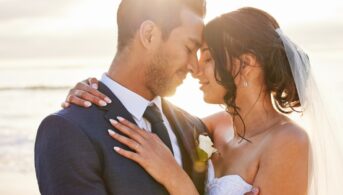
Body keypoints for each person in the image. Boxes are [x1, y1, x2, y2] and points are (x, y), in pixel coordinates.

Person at [64, 7, 313, 195]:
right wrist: (97, 90)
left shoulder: (289, 142)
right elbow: (147, 115)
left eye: (207, 58)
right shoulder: (209, 128)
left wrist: (177, 179)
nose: (195, 69)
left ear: (245, 65)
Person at [34, 0, 222, 194]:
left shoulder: (194, 127)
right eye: (189, 48)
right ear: (149, 35)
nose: (195, 67)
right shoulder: (69, 130)